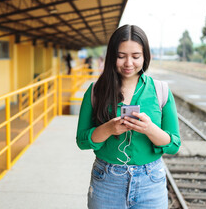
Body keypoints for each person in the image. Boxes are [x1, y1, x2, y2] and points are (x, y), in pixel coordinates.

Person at [76, 24, 180, 209]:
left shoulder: (161, 90)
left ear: (145, 56)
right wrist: (108, 129)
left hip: (151, 181)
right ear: (111, 57)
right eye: (121, 56)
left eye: (135, 56)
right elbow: (82, 141)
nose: (128, 63)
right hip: (106, 180)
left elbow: (173, 145)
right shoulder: (95, 92)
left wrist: (150, 129)